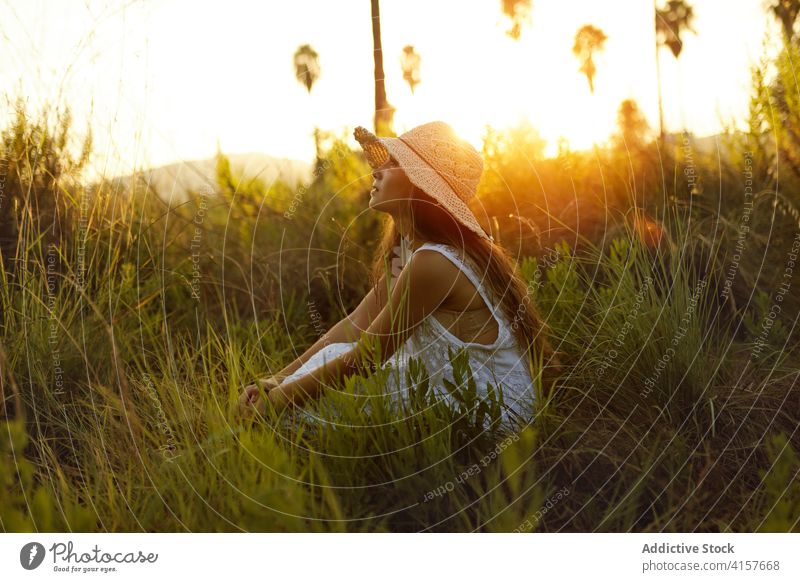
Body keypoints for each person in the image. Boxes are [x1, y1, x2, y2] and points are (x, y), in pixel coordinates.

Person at [237, 121, 560, 430]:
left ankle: (261, 436)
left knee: (309, 406)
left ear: (420, 185)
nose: (376, 170)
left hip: (489, 409)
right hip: (458, 392)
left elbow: (367, 357)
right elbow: (353, 324)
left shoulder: (433, 262)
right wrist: (276, 380)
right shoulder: (411, 252)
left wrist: (278, 401)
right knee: (331, 363)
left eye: (393, 163)